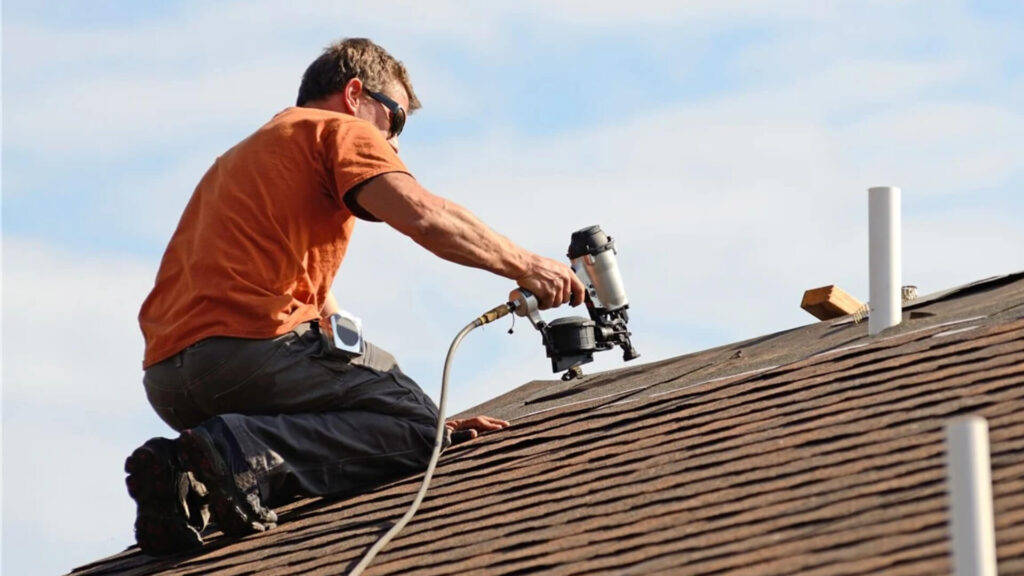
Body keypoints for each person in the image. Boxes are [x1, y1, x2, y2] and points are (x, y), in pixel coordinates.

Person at [126, 37, 585, 556]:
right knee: (419, 433)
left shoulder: (243, 158)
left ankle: (187, 480)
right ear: (353, 94)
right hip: (249, 352)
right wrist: (528, 266)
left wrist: (405, 414)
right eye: (396, 120)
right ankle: (240, 451)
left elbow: (324, 320)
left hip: (168, 381)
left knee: (402, 415)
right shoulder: (338, 130)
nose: (394, 143)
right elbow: (425, 216)